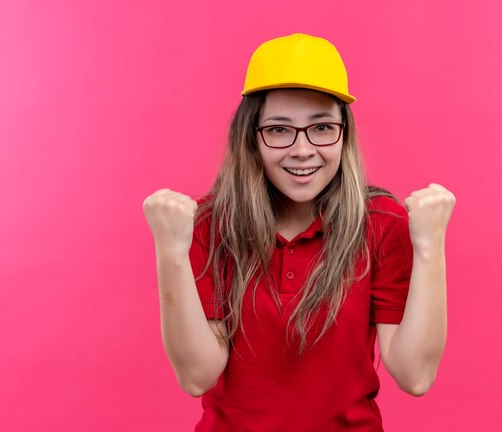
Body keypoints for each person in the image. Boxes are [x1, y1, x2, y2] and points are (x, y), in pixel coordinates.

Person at [143, 33, 455, 432]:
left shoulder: (380, 222)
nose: (303, 149)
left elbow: (415, 376)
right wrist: (171, 249)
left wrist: (430, 246)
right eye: (279, 130)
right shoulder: (209, 224)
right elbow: (197, 375)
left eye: (322, 127)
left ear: (344, 134)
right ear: (251, 138)